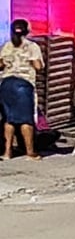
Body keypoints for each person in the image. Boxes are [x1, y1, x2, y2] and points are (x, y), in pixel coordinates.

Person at [0, 19, 44, 160]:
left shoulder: (7, 45)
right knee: (26, 120)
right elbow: (38, 66)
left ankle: (7, 152)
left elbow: (0, 64)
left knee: (9, 119)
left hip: (6, 84)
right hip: (23, 85)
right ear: (27, 30)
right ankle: (30, 153)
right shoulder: (31, 46)